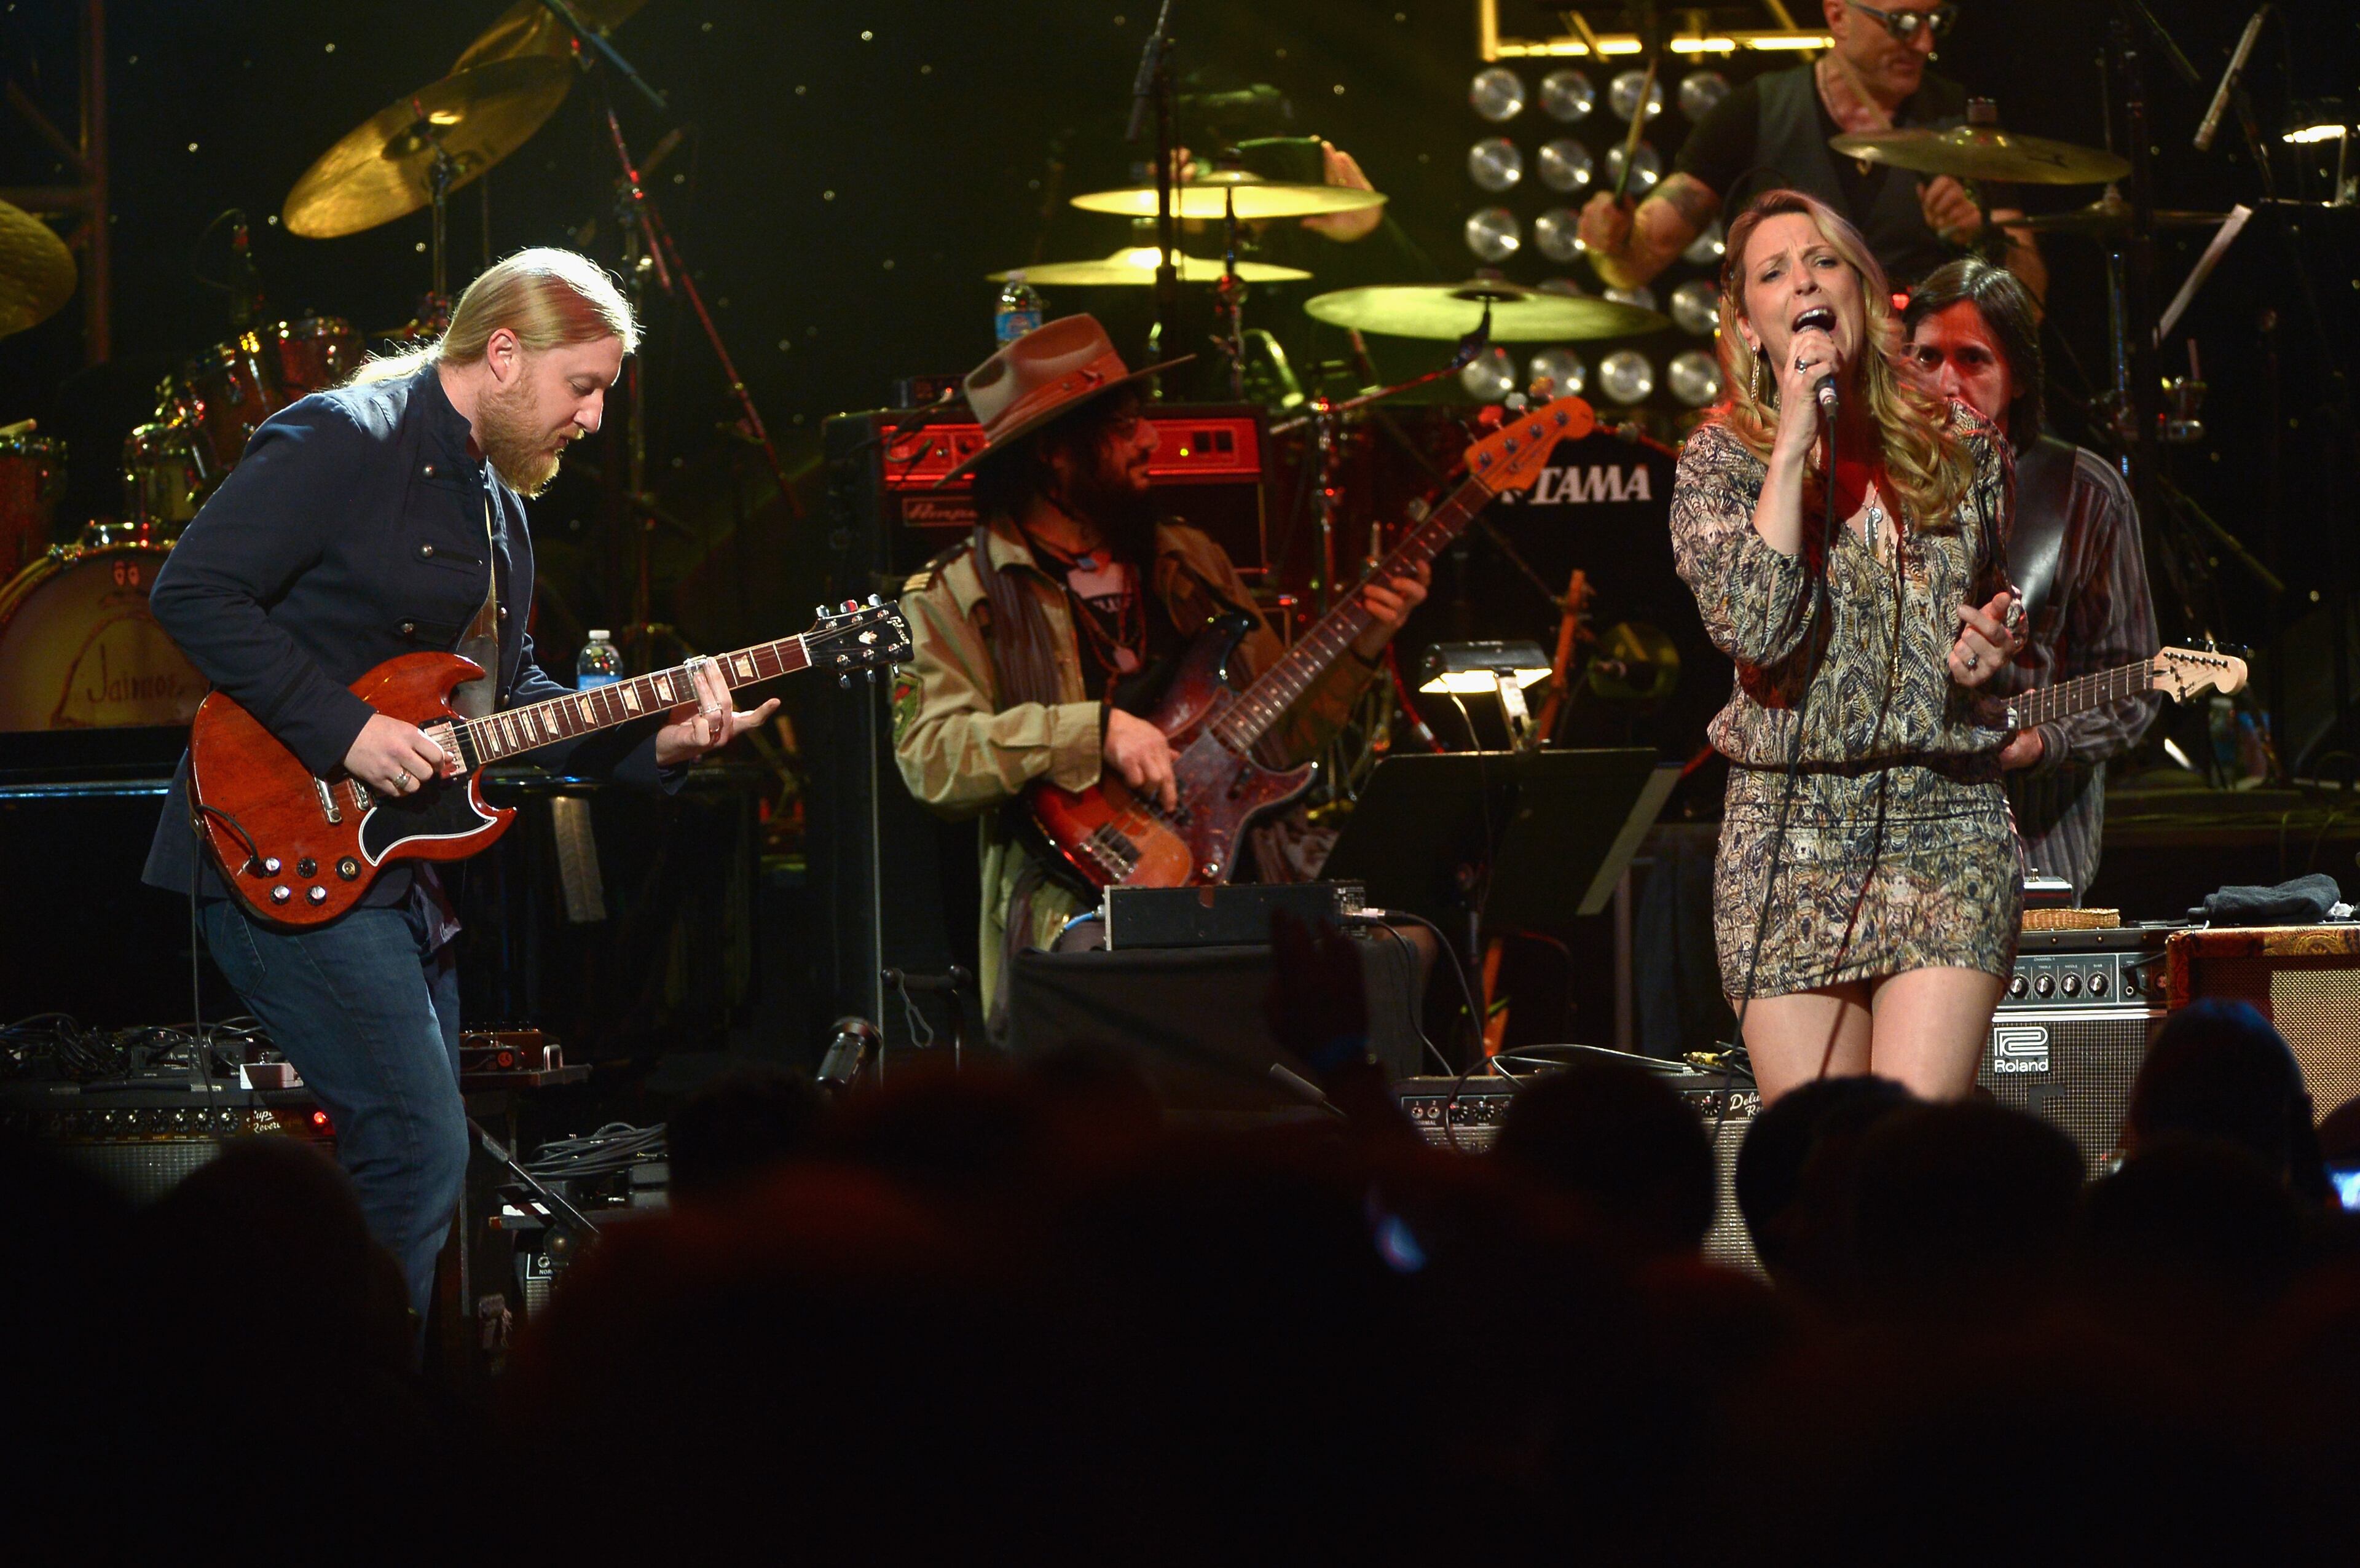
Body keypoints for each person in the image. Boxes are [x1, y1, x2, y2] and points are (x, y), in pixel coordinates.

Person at [140, 249, 772, 1328]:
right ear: (506, 352)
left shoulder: (500, 507)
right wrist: (348, 729)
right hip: (274, 844)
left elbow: (508, 697)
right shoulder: (341, 434)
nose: (595, 418)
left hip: (397, 877)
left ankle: (368, 1420)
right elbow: (192, 589)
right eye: (586, 386)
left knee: (428, 1167)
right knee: (414, 1149)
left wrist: (650, 744)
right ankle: (335, 1433)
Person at [892, 314, 1427, 1022]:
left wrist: (1366, 638)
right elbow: (932, 759)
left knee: (1408, 945)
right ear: (1055, 454)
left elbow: (1282, 740)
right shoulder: (955, 596)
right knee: (1124, 973)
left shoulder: (1189, 559)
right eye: (1124, 426)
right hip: (1076, 893)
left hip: (1241, 870)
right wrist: (1095, 730)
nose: (1152, 438)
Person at [1667, 189, 2024, 1104]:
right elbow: (1757, 630)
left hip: (1945, 820)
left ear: (1866, 295)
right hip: (1790, 832)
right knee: (1823, 1168)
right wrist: (1793, 442)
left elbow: (1993, 609)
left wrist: (1996, 638)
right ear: (1748, 325)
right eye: (1773, 272)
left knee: (1911, 1155)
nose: (1803, 281)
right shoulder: (1717, 464)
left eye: (1823, 261)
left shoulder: (1967, 450)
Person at [1902, 257, 2160, 901]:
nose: (1947, 382)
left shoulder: (2085, 494)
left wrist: (2042, 742)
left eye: (1973, 359)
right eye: (1927, 358)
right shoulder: (1868, 493)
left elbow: (2134, 684)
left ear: (2017, 375)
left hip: (2035, 839)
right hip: (1891, 844)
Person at [1578, 1, 2046, 300]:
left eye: (1934, 22)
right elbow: (1634, 264)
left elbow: (2031, 300)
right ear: (1838, 15)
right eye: (1902, 24)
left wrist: (1984, 237)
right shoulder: (1753, 113)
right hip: (1789, 397)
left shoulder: (1959, 120)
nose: (1924, 43)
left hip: (1921, 396)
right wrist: (1610, 242)